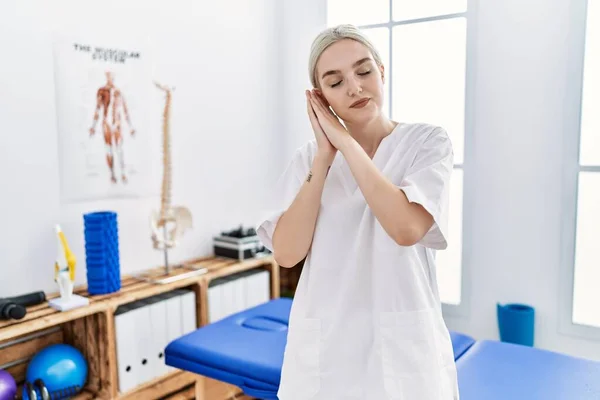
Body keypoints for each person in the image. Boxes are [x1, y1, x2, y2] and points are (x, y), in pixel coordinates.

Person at [256, 24, 458, 399]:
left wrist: (345, 142)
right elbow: (286, 253)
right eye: (335, 82)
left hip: (402, 343)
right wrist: (324, 155)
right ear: (320, 98)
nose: (354, 87)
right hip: (327, 349)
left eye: (363, 71)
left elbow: (406, 228)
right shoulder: (310, 160)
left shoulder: (427, 142)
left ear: (381, 71)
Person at [89, 71, 136, 184]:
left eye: (112, 76)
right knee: (109, 149)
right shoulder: (102, 91)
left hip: (117, 123)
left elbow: (125, 110)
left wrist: (130, 127)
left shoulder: (118, 92)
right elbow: (98, 109)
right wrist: (93, 126)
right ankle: (112, 174)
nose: (111, 78)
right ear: (107, 77)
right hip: (106, 123)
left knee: (119, 149)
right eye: (109, 76)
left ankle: (123, 173)